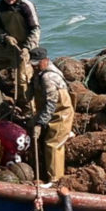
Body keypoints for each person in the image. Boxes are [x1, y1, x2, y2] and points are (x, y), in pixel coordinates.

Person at [28, 47, 75, 185]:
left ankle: (55, 180)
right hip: (48, 112)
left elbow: (51, 104)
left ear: (45, 61)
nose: (35, 66)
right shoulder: (39, 73)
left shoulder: (49, 77)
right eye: (33, 64)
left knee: (53, 143)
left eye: (37, 63)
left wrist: (40, 124)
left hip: (61, 114)